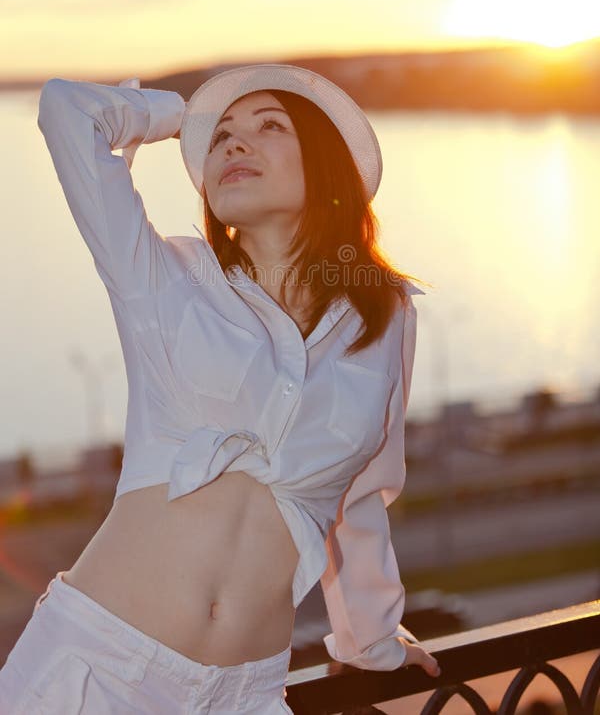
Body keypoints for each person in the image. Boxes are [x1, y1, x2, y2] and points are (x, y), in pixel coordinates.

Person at [0, 64, 440, 713]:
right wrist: (183, 120)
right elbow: (68, 110)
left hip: (246, 695)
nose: (234, 143)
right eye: (223, 137)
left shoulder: (385, 316)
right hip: (98, 672)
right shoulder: (165, 277)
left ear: (326, 165)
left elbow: (361, 501)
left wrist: (373, 645)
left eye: (269, 127)